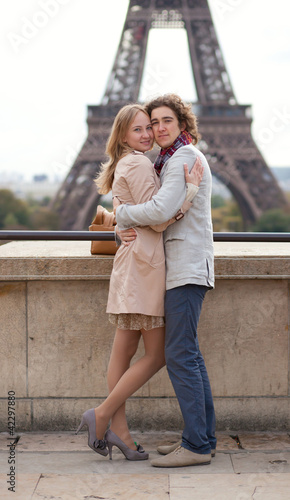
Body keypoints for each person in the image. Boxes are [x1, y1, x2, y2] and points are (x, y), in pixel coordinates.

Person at [76, 103, 203, 461]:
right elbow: (160, 220)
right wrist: (189, 195)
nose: (148, 134)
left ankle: (120, 430)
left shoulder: (125, 163)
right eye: (139, 130)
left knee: (124, 351)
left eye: (150, 127)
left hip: (132, 263)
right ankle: (101, 415)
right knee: (158, 354)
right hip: (146, 265)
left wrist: (122, 221)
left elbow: (136, 214)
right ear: (123, 135)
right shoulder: (141, 163)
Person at [115, 94, 217, 468]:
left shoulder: (183, 158)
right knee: (188, 354)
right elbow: (160, 212)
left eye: (165, 121)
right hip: (181, 268)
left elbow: (159, 211)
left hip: (185, 269)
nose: (158, 128)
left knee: (178, 355)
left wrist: (121, 215)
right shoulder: (169, 159)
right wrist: (121, 228)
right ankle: (202, 438)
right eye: (152, 122)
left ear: (182, 125)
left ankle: (196, 445)